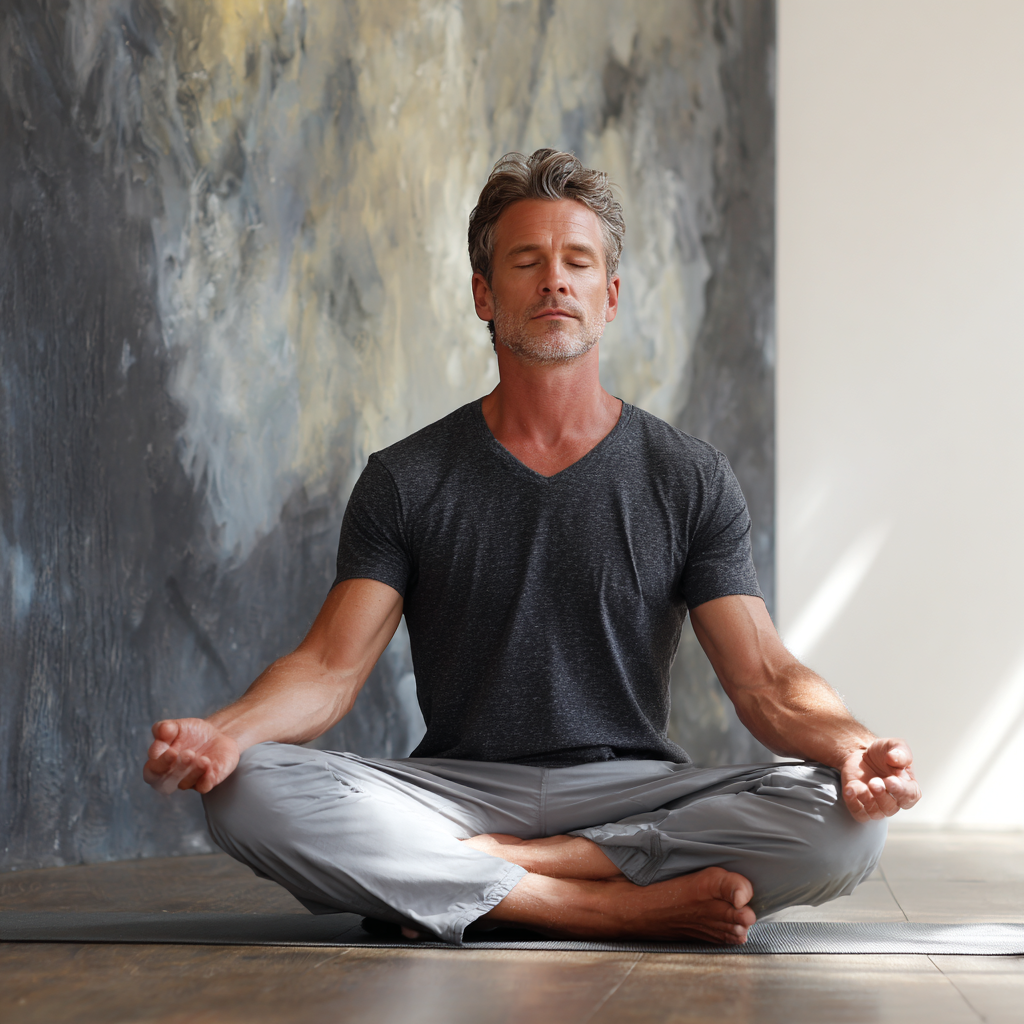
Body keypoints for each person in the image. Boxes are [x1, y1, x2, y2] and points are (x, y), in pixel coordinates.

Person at [143, 149, 920, 946]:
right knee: (246, 790)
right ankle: (600, 904)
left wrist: (854, 746)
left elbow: (764, 678)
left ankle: (497, 874)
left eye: (577, 262)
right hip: (455, 792)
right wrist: (228, 733)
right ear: (485, 293)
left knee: (843, 825)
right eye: (527, 261)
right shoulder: (407, 479)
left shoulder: (688, 476)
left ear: (608, 296)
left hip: (634, 792)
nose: (555, 280)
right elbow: (328, 670)